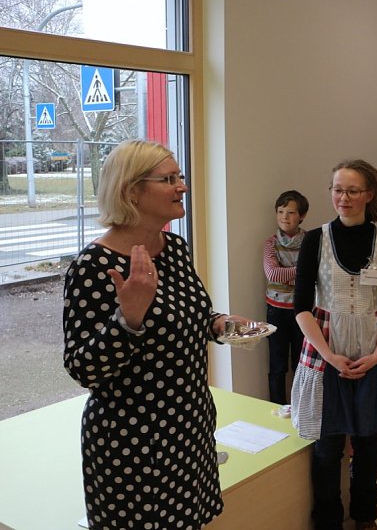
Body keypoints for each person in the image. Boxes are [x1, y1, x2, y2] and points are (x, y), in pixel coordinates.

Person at [63, 140, 241, 529]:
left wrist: (217, 323)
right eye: (169, 179)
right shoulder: (93, 267)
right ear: (131, 191)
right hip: (132, 445)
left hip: (190, 429)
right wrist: (128, 319)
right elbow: (83, 369)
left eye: (180, 177)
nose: (183, 187)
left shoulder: (175, 248)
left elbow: (188, 312)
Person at [290, 159, 377, 530]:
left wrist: (375, 356)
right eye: (337, 189)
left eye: (353, 190)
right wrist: (329, 356)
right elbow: (301, 307)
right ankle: (327, 520)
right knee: (328, 446)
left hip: (373, 347)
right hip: (326, 350)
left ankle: (365, 516)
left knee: (367, 443)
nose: (343, 197)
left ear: (370, 195)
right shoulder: (314, 240)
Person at [263, 189, 310, 404]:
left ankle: (301, 409)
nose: (284, 217)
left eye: (290, 212)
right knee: (277, 366)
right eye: (280, 211)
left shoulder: (311, 241)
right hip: (276, 311)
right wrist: (300, 270)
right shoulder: (271, 243)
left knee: (303, 364)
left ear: (301, 215)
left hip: (303, 311)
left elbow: (316, 274)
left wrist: (290, 273)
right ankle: (277, 409)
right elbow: (273, 273)